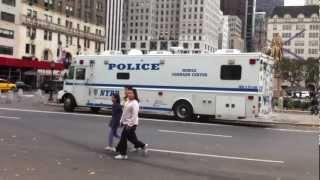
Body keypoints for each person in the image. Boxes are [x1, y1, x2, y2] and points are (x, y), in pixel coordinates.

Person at [115, 88, 148, 160]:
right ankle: (143, 146)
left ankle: (123, 154)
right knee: (131, 138)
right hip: (126, 123)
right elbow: (124, 113)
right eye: (128, 93)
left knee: (124, 138)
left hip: (131, 124)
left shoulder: (135, 103)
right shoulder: (127, 101)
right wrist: (121, 121)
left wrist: (129, 125)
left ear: (134, 94)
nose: (129, 94)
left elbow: (134, 115)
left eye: (131, 93)